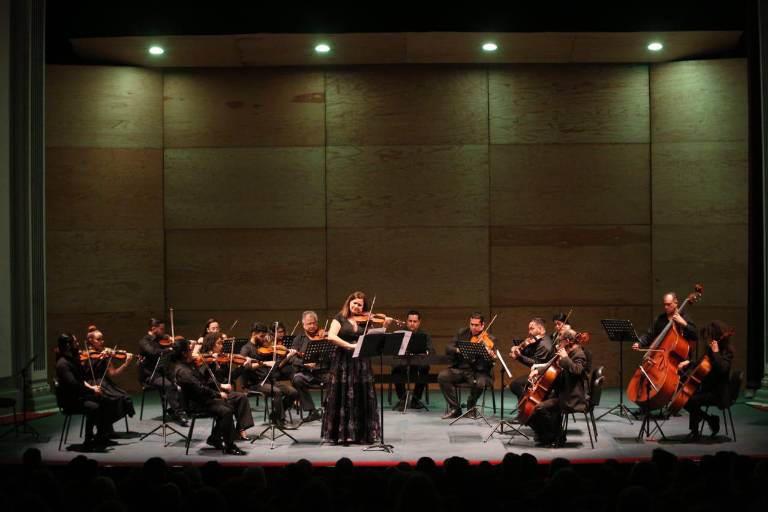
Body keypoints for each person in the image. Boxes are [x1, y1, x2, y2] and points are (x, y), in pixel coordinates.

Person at [321, 291, 383, 444]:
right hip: (343, 362)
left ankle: (361, 434)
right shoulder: (339, 318)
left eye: (360, 304)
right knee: (342, 395)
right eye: (354, 303)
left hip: (361, 363)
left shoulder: (365, 321)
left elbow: (373, 339)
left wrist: (383, 328)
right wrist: (350, 345)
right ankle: (341, 434)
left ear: (364, 307)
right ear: (348, 303)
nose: (356, 306)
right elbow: (331, 336)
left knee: (360, 395)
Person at [172, 338, 246, 455]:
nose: (193, 353)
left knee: (230, 405)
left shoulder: (187, 365)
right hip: (196, 404)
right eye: (190, 351)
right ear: (184, 353)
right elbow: (200, 388)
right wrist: (218, 394)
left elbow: (202, 383)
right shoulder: (183, 370)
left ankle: (215, 438)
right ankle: (229, 446)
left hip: (202, 399)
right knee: (226, 410)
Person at [526, 329, 588, 447]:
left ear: (568, 341)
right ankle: (550, 436)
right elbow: (552, 366)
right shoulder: (568, 352)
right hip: (562, 392)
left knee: (539, 408)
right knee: (531, 410)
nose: (559, 344)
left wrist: (565, 358)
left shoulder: (579, 354)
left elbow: (577, 370)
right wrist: (537, 371)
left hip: (571, 397)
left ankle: (553, 436)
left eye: (561, 341)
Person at [54, 333, 114, 450]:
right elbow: (74, 385)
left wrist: (92, 388)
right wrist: (91, 392)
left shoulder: (72, 359)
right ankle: (88, 440)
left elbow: (81, 379)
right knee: (94, 407)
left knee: (106, 400)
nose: (77, 344)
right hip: (70, 400)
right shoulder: (63, 364)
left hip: (78, 396)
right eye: (75, 342)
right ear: (68, 345)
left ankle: (101, 435)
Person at [679, 320, 734, 442]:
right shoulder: (711, 350)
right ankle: (709, 420)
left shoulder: (727, 352)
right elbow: (702, 363)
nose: (707, 341)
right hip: (708, 390)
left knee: (692, 399)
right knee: (685, 397)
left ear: (716, 337)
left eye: (709, 337)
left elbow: (722, 369)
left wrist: (716, 353)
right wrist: (688, 362)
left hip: (719, 393)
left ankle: (695, 432)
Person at [438, 312, 497, 419]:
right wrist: (459, 350)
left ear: (482, 325)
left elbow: (491, 362)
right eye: (472, 324)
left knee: (479, 383)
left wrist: (489, 354)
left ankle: (471, 406)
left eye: (476, 325)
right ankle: (455, 408)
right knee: (443, 376)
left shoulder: (490, 339)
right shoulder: (462, 333)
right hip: (461, 369)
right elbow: (448, 347)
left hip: (479, 372)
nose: (473, 327)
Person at [239, 322, 299, 428]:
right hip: (255, 383)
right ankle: (280, 421)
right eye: (261, 336)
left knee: (293, 392)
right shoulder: (246, 348)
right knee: (276, 392)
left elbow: (277, 361)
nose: (263, 339)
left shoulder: (263, 347)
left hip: (268, 380)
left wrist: (286, 354)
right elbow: (245, 367)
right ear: (253, 334)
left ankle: (274, 416)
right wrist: (264, 363)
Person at [199, 332, 255, 441]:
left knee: (241, 397)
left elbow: (231, 377)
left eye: (221, 343)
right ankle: (224, 434)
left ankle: (239, 429)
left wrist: (243, 367)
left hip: (222, 391)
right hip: (212, 393)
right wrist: (221, 385)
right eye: (219, 343)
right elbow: (205, 381)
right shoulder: (204, 360)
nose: (221, 346)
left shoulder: (222, 360)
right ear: (211, 344)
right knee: (237, 399)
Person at [85, 326, 136, 435]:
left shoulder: (106, 353)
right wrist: (99, 357)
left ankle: (105, 426)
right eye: (98, 339)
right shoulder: (86, 355)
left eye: (102, 339)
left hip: (105, 383)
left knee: (125, 397)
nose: (102, 342)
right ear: (90, 341)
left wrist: (125, 364)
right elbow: (83, 374)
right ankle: (104, 428)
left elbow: (113, 373)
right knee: (111, 400)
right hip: (92, 384)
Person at [137, 318, 187, 425]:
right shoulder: (144, 341)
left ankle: (174, 410)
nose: (164, 332)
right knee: (169, 386)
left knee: (182, 382)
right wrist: (168, 349)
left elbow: (172, 356)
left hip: (163, 373)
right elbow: (153, 352)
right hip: (150, 375)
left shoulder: (161, 340)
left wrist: (181, 346)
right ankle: (179, 413)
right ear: (153, 328)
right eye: (161, 329)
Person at [291, 310, 331, 423]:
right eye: (309, 323)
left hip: (323, 372)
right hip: (307, 373)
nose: (313, 326)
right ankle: (312, 410)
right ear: (303, 325)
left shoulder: (324, 335)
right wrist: (304, 364)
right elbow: (292, 358)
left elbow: (333, 354)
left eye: (314, 323)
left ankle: (327, 408)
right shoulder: (299, 339)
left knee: (335, 380)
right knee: (297, 379)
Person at [391, 310, 434, 411]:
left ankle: (415, 399)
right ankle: (402, 398)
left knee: (425, 368)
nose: (412, 324)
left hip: (418, 362)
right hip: (403, 362)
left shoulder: (424, 335)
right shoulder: (400, 334)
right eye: (410, 321)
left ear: (419, 322)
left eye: (415, 321)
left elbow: (432, 350)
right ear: (407, 321)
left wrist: (426, 353)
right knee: (395, 368)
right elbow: (393, 349)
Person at [508, 317, 554, 403]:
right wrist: (518, 349)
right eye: (529, 329)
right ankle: (525, 407)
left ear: (540, 328)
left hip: (543, 377)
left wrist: (519, 356)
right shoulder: (539, 341)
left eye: (532, 329)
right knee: (517, 384)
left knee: (515, 385)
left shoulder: (544, 345)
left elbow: (535, 364)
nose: (529, 332)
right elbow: (530, 355)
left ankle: (528, 406)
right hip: (538, 374)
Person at [633, 292, 697, 351]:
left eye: (668, 304)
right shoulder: (660, 319)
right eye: (664, 304)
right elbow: (649, 336)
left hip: (679, 357)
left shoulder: (684, 317)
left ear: (676, 303)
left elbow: (695, 335)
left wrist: (684, 323)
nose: (666, 307)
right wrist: (639, 343)